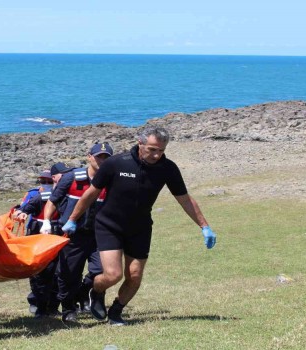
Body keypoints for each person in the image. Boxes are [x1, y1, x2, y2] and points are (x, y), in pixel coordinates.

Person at [64, 127, 217, 326]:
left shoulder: (167, 168)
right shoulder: (116, 162)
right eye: (152, 149)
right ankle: (95, 290)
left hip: (140, 227)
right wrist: (73, 219)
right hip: (109, 225)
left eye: (161, 151)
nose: (156, 155)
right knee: (113, 275)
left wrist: (204, 226)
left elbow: (185, 199)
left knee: (134, 276)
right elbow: (91, 193)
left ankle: (116, 311)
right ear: (140, 143)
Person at [41, 143, 113, 323]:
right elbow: (52, 201)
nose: (102, 161)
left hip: (99, 234)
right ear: (89, 156)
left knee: (102, 271)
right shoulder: (71, 178)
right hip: (73, 235)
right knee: (68, 274)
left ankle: (89, 294)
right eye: (99, 156)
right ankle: (68, 309)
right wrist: (46, 221)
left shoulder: (111, 180)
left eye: (106, 157)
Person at [16, 165, 65, 318]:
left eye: (48, 180)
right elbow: (23, 209)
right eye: (42, 180)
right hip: (38, 237)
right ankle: (40, 305)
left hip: (59, 237)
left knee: (59, 272)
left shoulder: (64, 196)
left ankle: (54, 306)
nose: (45, 183)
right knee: (39, 273)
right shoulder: (36, 196)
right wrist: (20, 213)